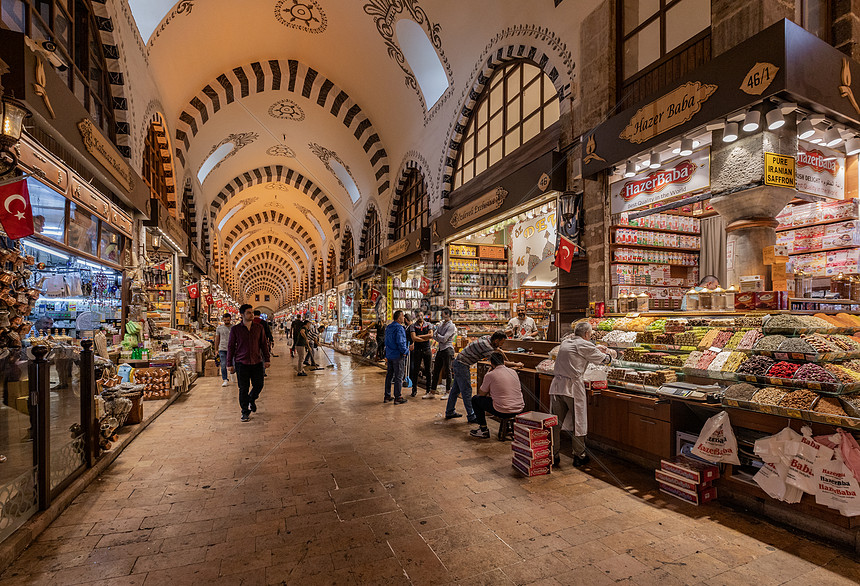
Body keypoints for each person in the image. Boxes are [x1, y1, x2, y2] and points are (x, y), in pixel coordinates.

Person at [550, 321, 616, 468]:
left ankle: (553, 455)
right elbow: (603, 360)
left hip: (557, 387)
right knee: (578, 421)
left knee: (555, 422)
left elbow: (582, 351)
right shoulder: (584, 345)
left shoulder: (567, 342)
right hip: (572, 387)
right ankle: (579, 455)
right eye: (591, 334)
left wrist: (595, 347)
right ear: (586, 334)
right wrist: (611, 354)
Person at [446, 331, 523, 422]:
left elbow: (498, 350)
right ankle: (471, 416)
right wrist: (516, 364)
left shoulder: (487, 338)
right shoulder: (486, 346)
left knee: (456, 389)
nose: (501, 345)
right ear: (496, 341)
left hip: (459, 362)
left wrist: (502, 353)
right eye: (501, 343)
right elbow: (498, 362)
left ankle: (449, 411)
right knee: (467, 390)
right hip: (462, 364)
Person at [227, 304, 271, 422]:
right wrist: (229, 364)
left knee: (259, 385)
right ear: (242, 315)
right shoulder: (235, 329)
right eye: (249, 313)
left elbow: (263, 344)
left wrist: (267, 359)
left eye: (252, 312)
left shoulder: (259, 328)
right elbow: (231, 347)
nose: (252, 315)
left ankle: (251, 399)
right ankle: (245, 411)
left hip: (257, 362)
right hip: (242, 363)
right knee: (243, 388)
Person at [470, 351, 525, 438]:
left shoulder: (490, 375)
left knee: (475, 399)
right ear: (503, 361)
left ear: (491, 363)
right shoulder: (513, 371)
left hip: (503, 410)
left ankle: (483, 430)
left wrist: (488, 373)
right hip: (519, 408)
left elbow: (482, 393)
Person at [428, 308, 456, 400]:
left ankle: (448, 391)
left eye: (443, 314)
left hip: (447, 349)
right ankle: (432, 391)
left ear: (447, 314)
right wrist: (439, 337)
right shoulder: (441, 324)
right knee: (436, 371)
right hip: (440, 349)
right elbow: (435, 336)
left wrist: (438, 336)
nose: (441, 315)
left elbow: (444, 339)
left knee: (447, 371)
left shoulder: (451, 326)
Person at [384, 310, 409, 404]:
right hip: (397, 355)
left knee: (389, 376)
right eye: (403, 316)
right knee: (399, 376)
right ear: (399, 318)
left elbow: (386, 341)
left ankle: (387, 396)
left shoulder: (389, 327)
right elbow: (401, 342)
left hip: (389, 354)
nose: (404, 318)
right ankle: (398, 397)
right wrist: (405, 351)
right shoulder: (399, 328)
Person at [407, 313, 433, 397]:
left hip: (427, 350)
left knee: (428, 370)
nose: (420, 317)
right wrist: (425, 338)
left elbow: (431, 335)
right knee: (416, 370)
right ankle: (414, 390)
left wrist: (420, 336)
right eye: (418, 315)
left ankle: (428, 389)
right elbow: (414, 338)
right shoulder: (413, 326)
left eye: (421, 315)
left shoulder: (428, 324)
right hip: (417, 350)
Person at [214, 313, 233, 387]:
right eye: (225, 320)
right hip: (222, 348)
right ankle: (225, 379)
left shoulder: (233, 328)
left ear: (230, 319)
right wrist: (216, 350)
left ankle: (232, 373)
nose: (226, 321)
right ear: (223, 320)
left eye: (228, 320)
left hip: (232, 349)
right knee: (223, 364)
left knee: (233, 364)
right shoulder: (219, 328)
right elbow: (217, 339)